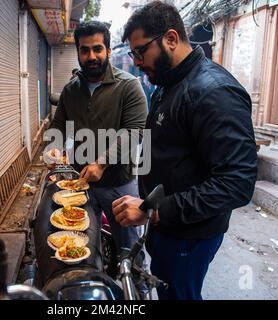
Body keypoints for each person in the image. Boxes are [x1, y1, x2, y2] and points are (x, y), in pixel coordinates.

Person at [112, 1, 257, 300]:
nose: (137, 62)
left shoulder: (214, 92)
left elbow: (237, 183)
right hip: (166, 225)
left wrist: (153, 211)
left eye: (141, 52)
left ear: (171, 39)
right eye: (133, 54)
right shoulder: (168, 82)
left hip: (189, 235)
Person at [46, 21, 148, 254]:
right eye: (85, 50)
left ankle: (136, 287)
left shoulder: (129, 86)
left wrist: (101, 162)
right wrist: (54, 147)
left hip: (118, 185)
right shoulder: (71, 90)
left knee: (129, 248)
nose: (91, 56)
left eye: (97, 49)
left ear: (108, 51)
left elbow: (134, 131)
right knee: (80, 242)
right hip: (79, 184)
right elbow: (59, 125)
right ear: (78, 53)